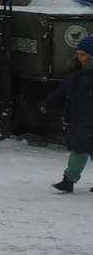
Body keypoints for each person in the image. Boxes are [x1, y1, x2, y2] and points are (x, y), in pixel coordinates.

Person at [42, 35, 93, 192]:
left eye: (83, 54)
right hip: (79, 119)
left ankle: (68, 181)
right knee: (79, 149)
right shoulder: (76, 72)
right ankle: (68, 180)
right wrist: (48, 102)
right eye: (78, 53)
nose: (80, 57)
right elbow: (63, 91)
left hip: (87, 119)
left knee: (80, 149)